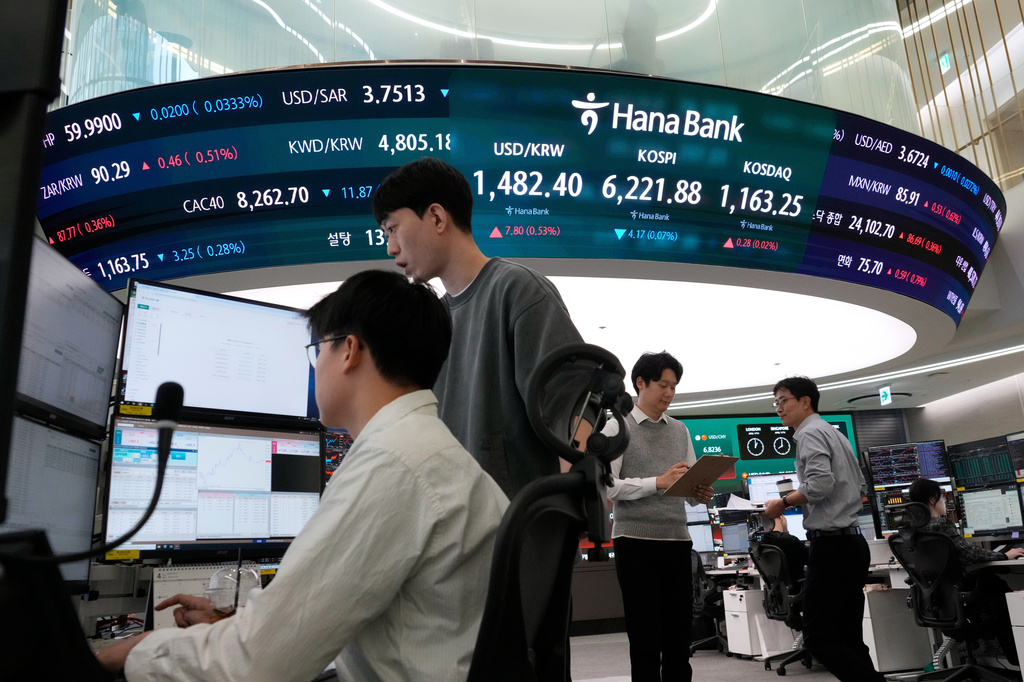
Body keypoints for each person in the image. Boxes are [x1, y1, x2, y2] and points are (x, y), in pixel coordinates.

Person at [96, 269, 509, 681]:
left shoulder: (391, 464)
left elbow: (259, 666)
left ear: (349, 351)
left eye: (317, 350)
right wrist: (234, 630)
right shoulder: (429, 451)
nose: (314, 367)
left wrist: (139, 649)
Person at [373, 156, 585, 498]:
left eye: (392, 229)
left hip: (521, 527)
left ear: (436, 217)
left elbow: (574, 406)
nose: (390, 247)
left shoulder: (518, 292)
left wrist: (565, 508)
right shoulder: (434, 322)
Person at [763, 376, 885, 682]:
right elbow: (859, 485)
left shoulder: (809, 433)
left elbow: (819, 484)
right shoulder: (833, 433)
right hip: (851, 542)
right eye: (775, 402)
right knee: (848, 636)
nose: (778, 408)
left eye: (783, 401)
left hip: (833, 546)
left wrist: (782, 503)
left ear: (805, 401)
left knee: (818, 637)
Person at [605, 351, 715, 682]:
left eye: (674, 386)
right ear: (640, 383)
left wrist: (699, 492)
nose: (669, 393)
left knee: (679, 637)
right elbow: (609, 486)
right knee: (645, 638)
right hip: (634, 541)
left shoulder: (680, 430)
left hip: (677, 541)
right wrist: (658, 482)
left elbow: (686, 486)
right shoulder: (617, 426)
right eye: (662, 385)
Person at [907, 478, 1022, 664]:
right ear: (932, 500)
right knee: (997, 587)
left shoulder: (910, 531)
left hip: (937, 603)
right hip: (960, 596)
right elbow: (970, 554)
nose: (944, 501)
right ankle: (1017, 658)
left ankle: (1016, 659)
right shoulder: (941, 525)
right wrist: (1004, 555)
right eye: (942, 497)